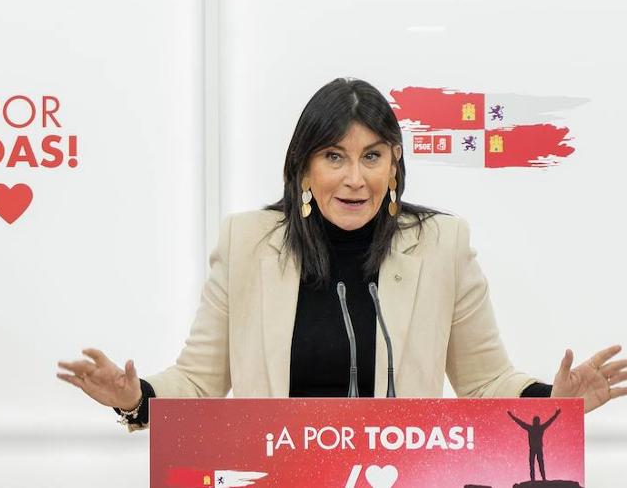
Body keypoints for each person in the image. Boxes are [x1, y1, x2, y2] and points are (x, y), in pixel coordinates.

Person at [58, 78, 626, 429]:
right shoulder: (247, 243)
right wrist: (135, 399)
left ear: (394, 163)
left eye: (372, 156)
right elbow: (201, 382)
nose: (355, 179)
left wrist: (557, 402)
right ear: (304, 166)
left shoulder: (441, 244)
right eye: (334, 156)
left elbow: (483, 382)